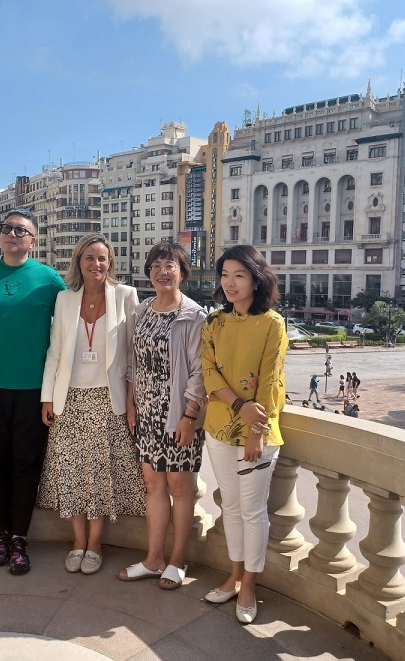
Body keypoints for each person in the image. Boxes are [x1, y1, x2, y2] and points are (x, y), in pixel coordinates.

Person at [0, 209, 65, 575]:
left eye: (21, 231)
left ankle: (20, 538)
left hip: (35, 390)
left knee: (27, 464)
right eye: (6, 229)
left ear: (33, 240)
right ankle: (0, 534)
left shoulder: (50, 280)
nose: (12, 235)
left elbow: (67, 332)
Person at [37, 234, 145, 574]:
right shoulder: (65, 299)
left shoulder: (126, 296)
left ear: (110, 261)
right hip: (69, 399)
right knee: (70, 473)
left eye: (102, 258)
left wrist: (131, 400)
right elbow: (54, 352)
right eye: (89, 258)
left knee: (100, 475)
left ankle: (95, 544)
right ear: (78, 263)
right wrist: (47, 397)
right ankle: (77, 542)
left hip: (106, 399)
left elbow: (133, 356)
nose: (95, 264)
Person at [200, 244, 287, 624]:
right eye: (225, 275)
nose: (230, 283)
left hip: (257, 434)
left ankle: (250, 584)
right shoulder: (214, 323)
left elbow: (270, 382)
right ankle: (234, 575)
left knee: (253, 511)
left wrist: (257, 430)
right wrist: (238, 407)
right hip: (219, 427)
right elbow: (208, 373)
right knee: (230, 507)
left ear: (256, 278)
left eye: (239, 275)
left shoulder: (272, 323)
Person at [118, 241, 206, 591]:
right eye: (155, 265)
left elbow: (200, 373)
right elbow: (132, 362)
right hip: (146, 413)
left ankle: (177, 559)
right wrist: (131, 402)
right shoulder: (142, 311)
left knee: (179, 486)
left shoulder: (194, 316)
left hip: (178, 415)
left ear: (182, 271)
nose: (162, 271)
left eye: (169, 265)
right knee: (153, 484)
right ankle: (153, 558)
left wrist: (189, 415)